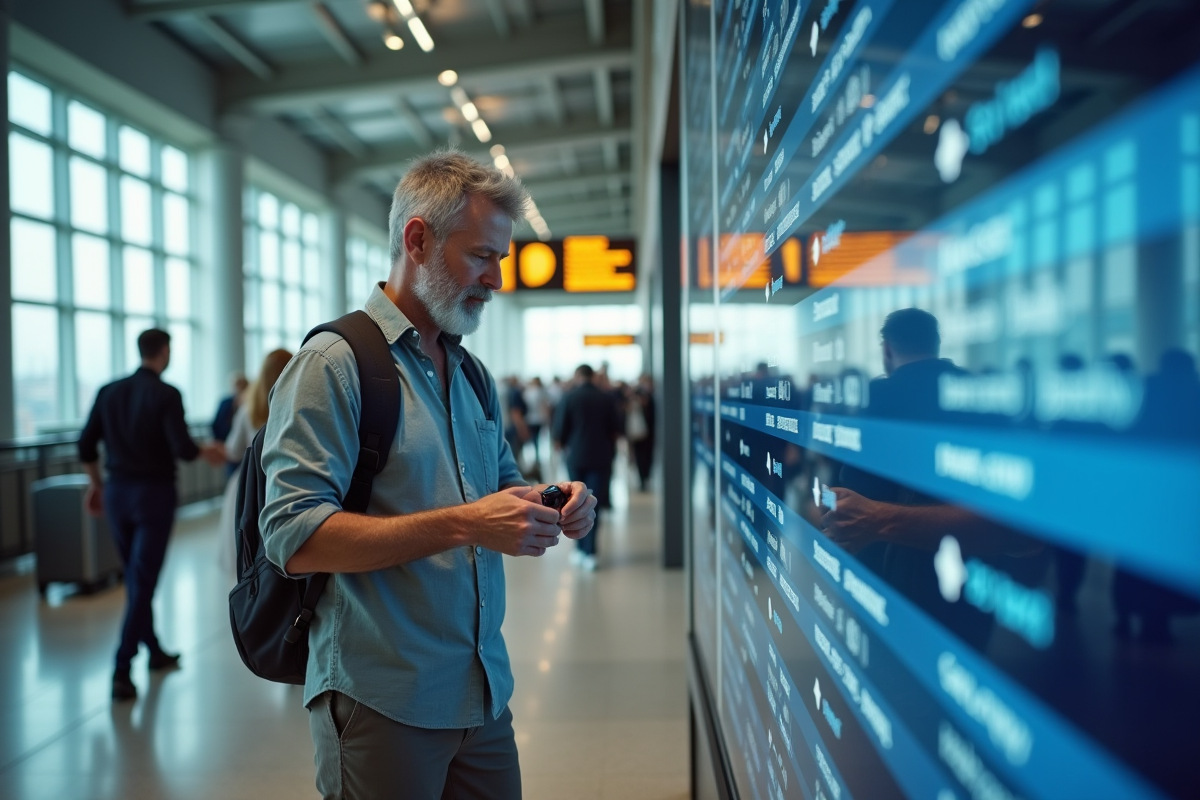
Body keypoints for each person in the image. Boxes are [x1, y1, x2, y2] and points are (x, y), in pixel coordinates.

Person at [258, 150, 598, 800]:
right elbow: (293, 538)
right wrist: (465, 523)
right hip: (383, 699)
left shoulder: (470, 373)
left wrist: (555, 503)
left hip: (482, 692)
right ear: (418, 239)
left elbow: (500, 485)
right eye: (481, 256)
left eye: (499, 259)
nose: (495, 279)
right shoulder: (332, 365)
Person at [78, 328, 224, 701]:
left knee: (136, 577)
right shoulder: (167, 394)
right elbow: (182, 448)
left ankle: (154, 651)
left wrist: (97, 485)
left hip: (117, 495)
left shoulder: (108, 391)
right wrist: (205, 450)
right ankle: (122, 668)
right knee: (142, 582)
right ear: (164, 351)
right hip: (153, 496)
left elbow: (85, 445)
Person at [218, 349, 292, 575]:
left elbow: (233, 451)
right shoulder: (298, 406)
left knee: (248, 561)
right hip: (286, 483)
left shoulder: (247, 409)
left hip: (249, 484)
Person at [553, 364, 622, 571]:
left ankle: (579, 547)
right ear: (592, 376)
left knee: (574, 503)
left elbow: (559, 433)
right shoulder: (606, 398)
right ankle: (591, 552)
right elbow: (617, 429)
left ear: (577, 376)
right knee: (593, 504)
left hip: (576, 458)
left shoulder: (569, 397)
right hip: (601, 458)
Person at [628, 374, 655, 491]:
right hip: (638, 433)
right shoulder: (635, 394)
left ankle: (646, 477)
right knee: (639, 456)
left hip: (649, 433)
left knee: (648, 456)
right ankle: (642, 479)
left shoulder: (651, 396)